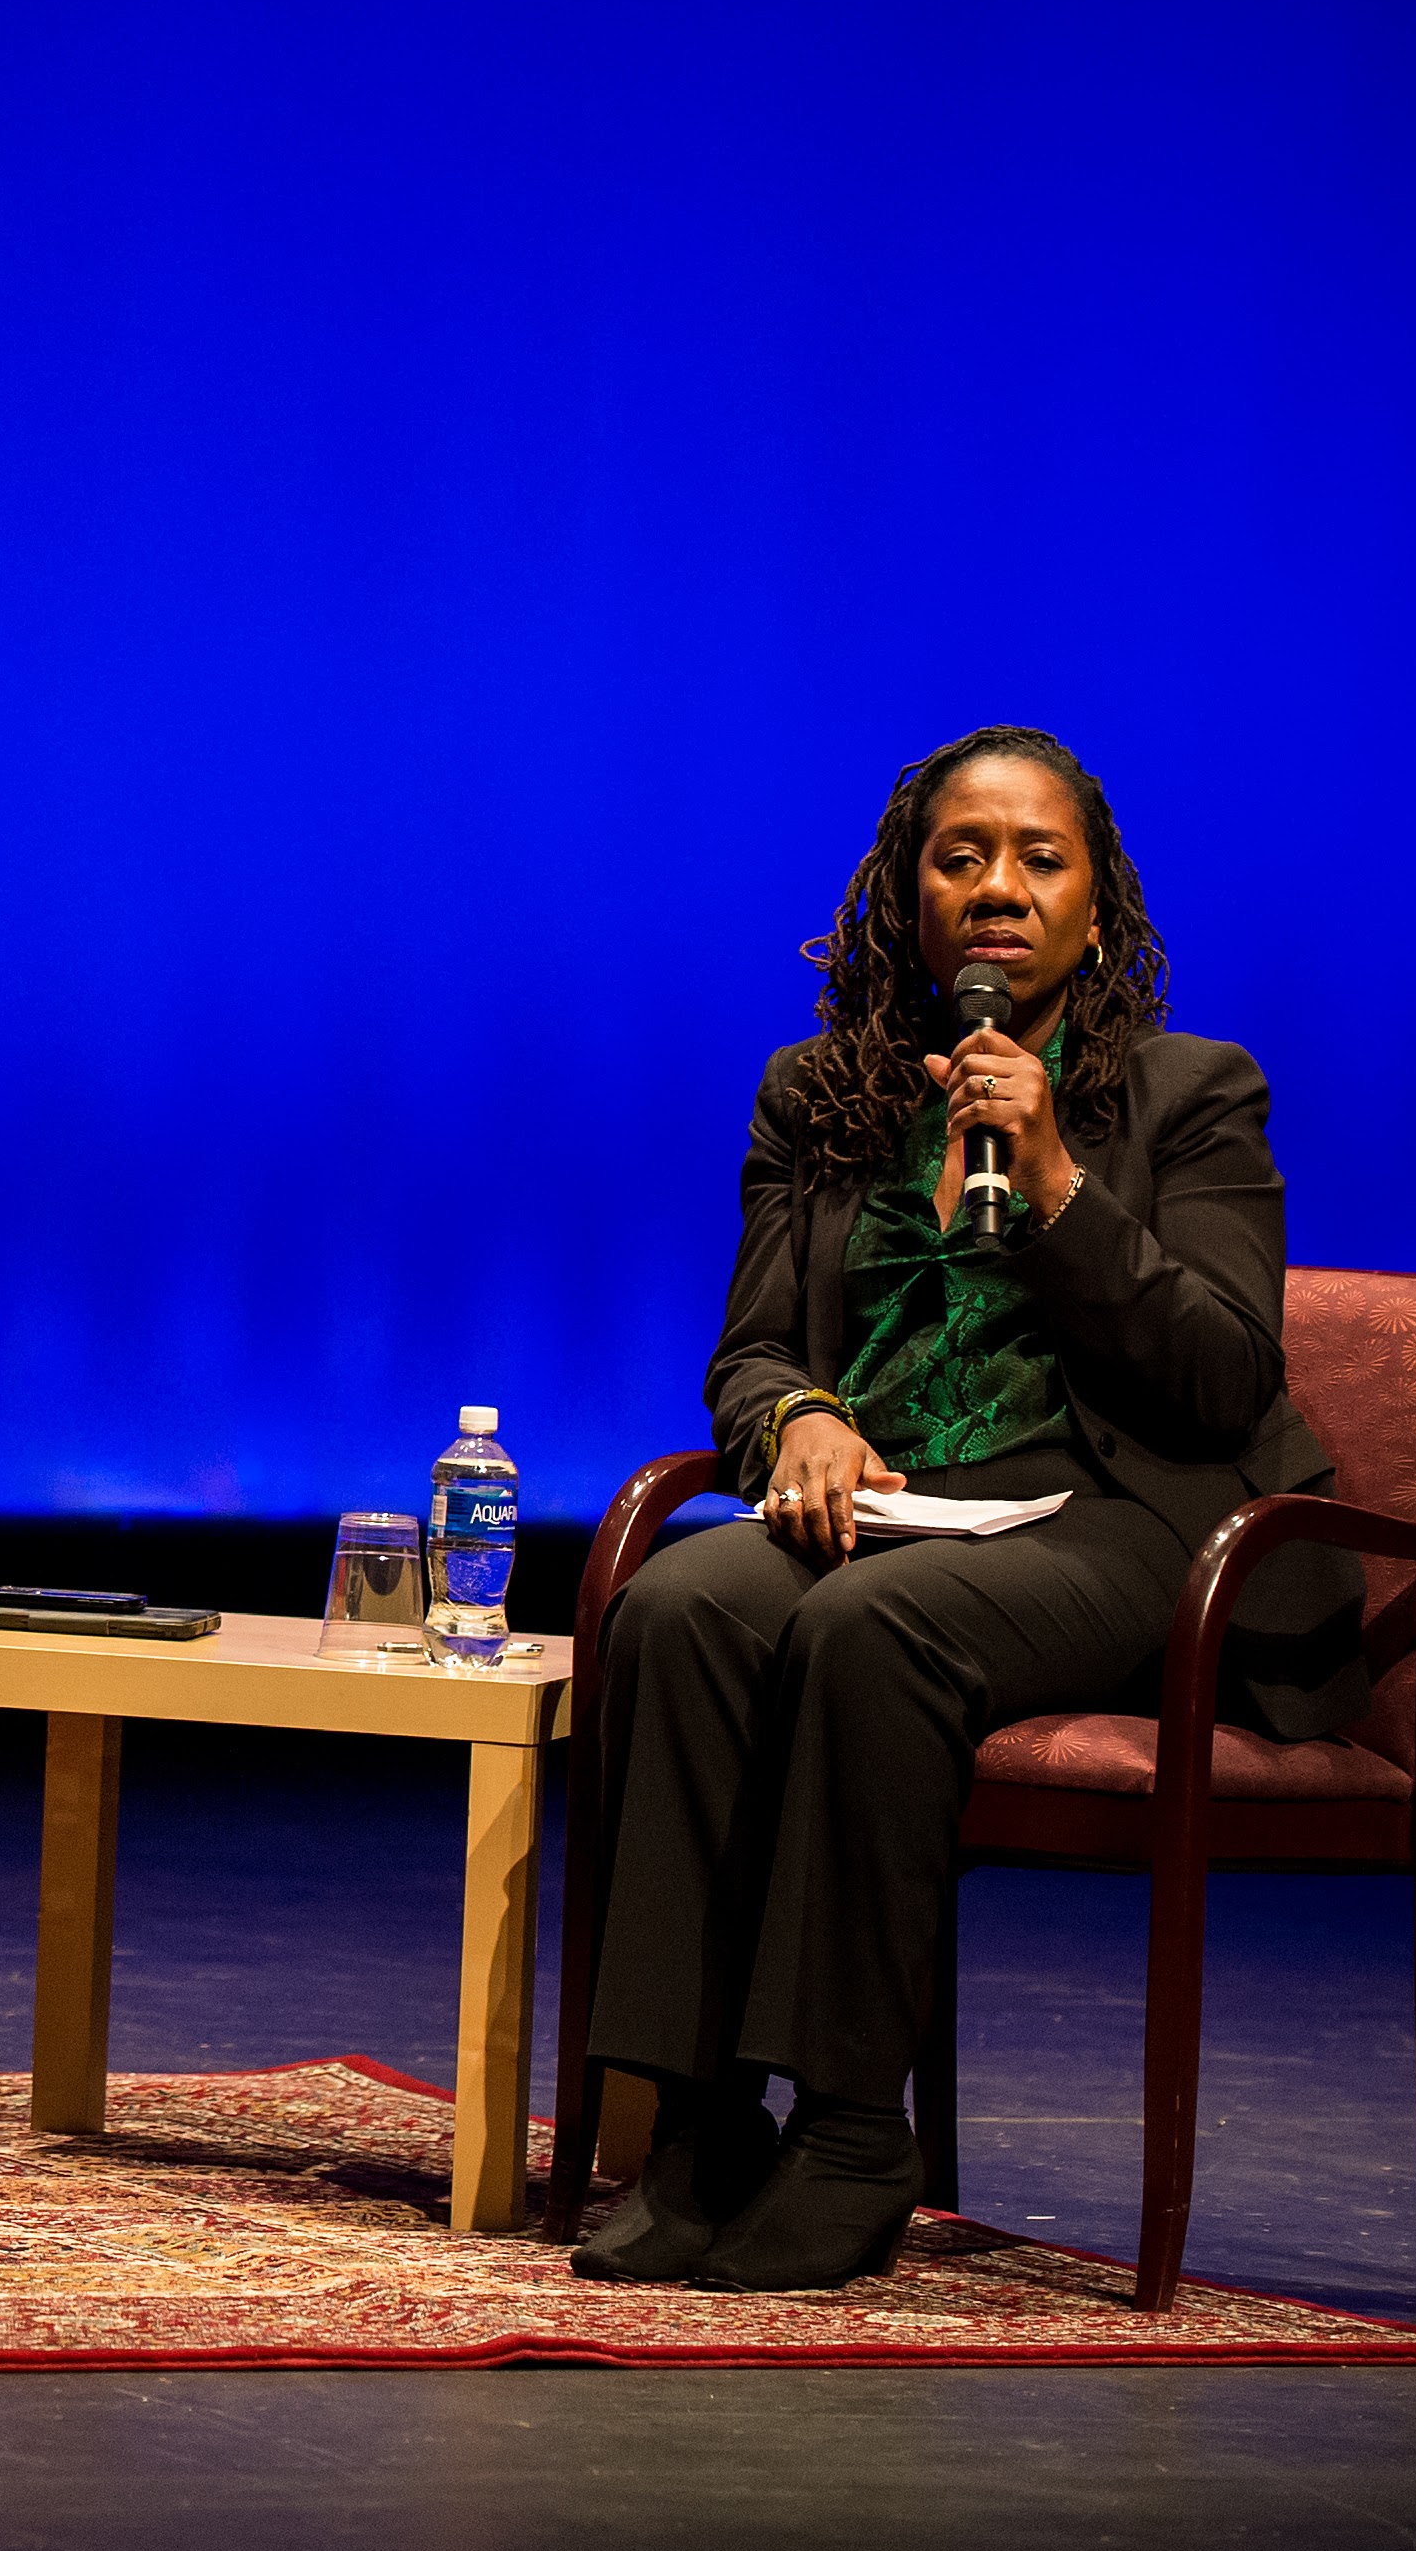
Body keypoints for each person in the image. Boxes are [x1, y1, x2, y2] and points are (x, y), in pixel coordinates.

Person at [574, 726, 1363, 2293]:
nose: (998, 887)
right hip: (897, 1511)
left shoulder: (1190, 1097)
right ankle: (697, 2120)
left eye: (1038, 858)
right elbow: (750, 1353)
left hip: (1132, 1523)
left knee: (878, 1631)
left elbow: (1219, 1374)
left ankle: (859, 2132)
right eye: (961, 857)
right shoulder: (821, 1098)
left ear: (1093, 903)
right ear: (909, 894)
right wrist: (797, 1417)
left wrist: (1061, 1178)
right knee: (675, 1603)